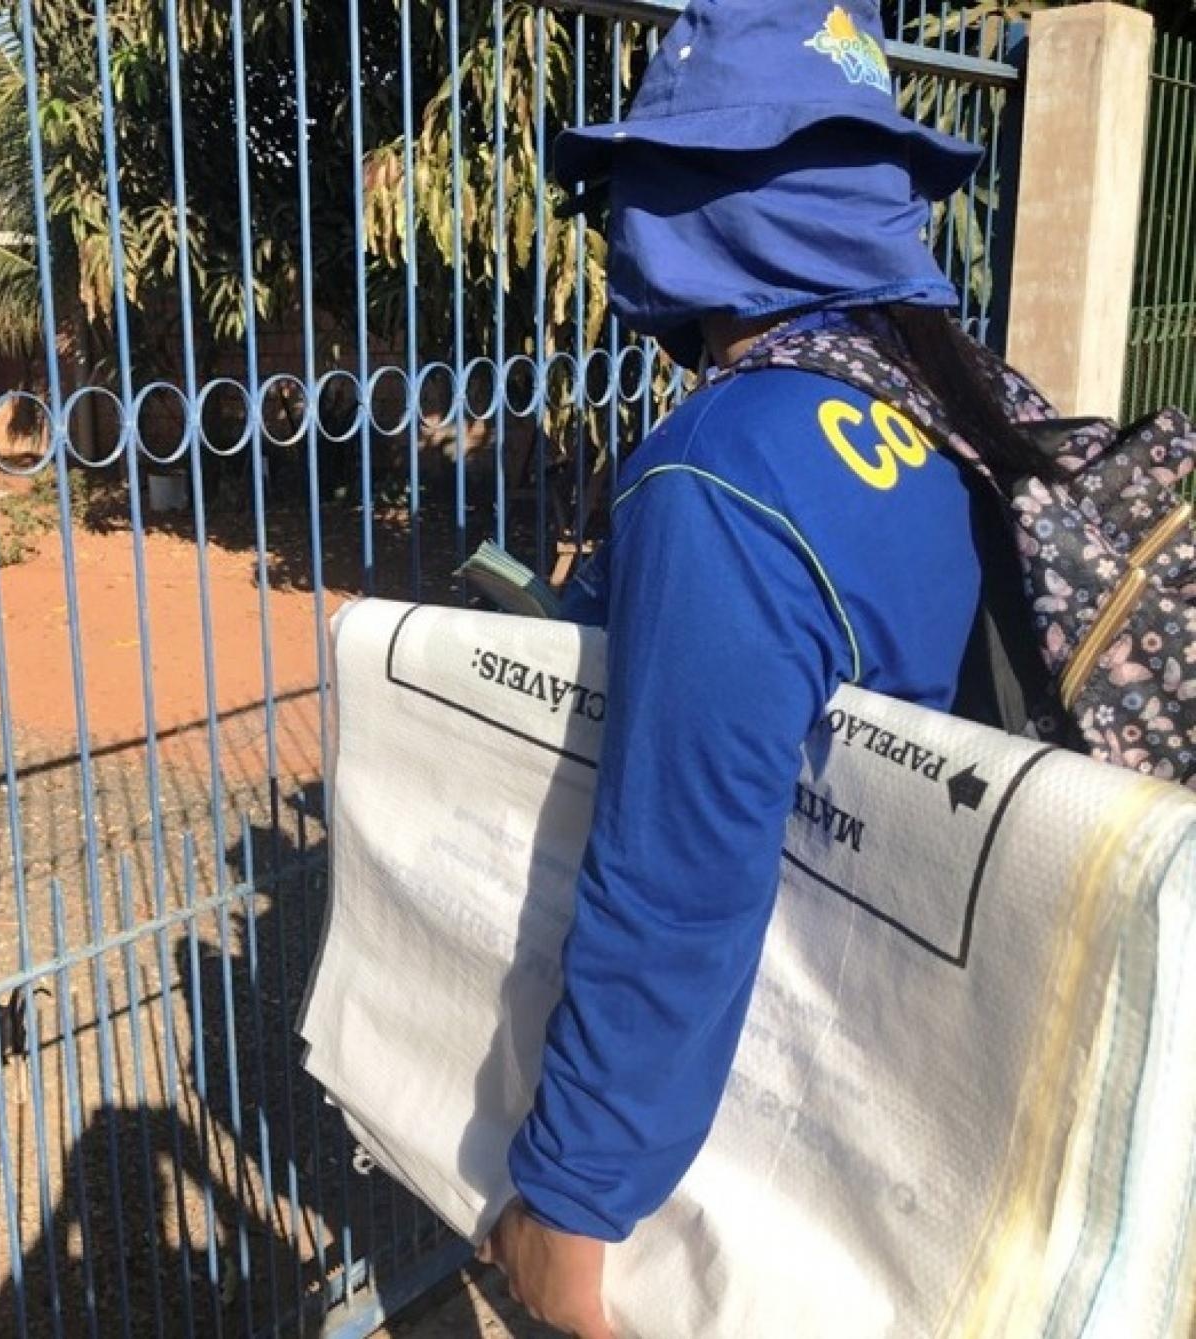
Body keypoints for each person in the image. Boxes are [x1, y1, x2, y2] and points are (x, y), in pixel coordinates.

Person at [479, 4, 1061, 1334]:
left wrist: (571, 1199)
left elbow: (677, 885)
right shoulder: (961, 393)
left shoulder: (725, 470)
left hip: (825, 1125)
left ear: (698, 201)